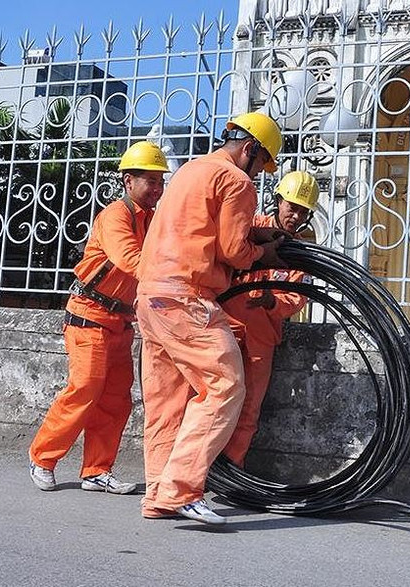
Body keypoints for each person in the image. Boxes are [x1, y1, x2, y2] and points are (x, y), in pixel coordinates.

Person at [135, 111, 286, 524]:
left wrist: (256, 234)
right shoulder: (236, 180)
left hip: (151, 296)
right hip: (188, 297)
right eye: (262, 162)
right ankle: (182, 490)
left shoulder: (191, 170)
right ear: (250, 148)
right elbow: (234, 251)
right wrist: (264, 253)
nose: (259, 173)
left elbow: (202, 229)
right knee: (225, 386)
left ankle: (158, 494)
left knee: (165, 402)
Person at [28, 141, 170, 494]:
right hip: (89, 315)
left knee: (116, 399)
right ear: (128, 181)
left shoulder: (152, 219)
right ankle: (42, 458)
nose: (156, 188)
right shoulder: (115, 215)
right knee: (85, 389)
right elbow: (130, 258)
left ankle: (96, 470)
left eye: (160, 181)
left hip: (120, 321)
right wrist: (172, 277)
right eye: (149, 181)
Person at [221, 170, 319, 468]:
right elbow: (226, 252)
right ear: (278, 201)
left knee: (249, 409)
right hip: (225, 326)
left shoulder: (299, 254)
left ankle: (232, 471)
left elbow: (297, 298)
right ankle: (202, 468)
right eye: (292, 207)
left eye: (303, 211)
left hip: (261, 338)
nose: (296, 216)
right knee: (214, 398)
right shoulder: (252, 229)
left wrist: (272, 301)